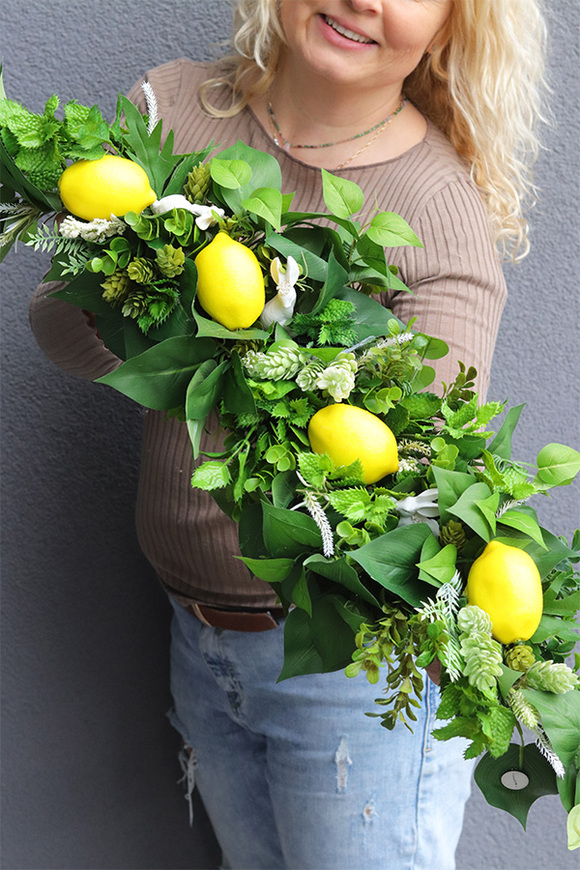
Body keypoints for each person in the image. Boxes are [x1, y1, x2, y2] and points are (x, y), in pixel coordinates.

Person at [29, 1, 547, 867]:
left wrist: (229, 323)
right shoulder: (173, 110)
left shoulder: (437, 210)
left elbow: (390, 483)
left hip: (357, 683)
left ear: (455, 24)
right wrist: (172, 283)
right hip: (198, 641)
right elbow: (60, 330)